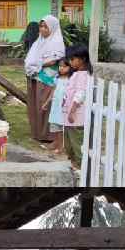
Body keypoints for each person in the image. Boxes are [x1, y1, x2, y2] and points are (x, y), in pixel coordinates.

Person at [22, 15, 65, 144]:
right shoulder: (38, 42)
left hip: (48, 80)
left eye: (45, 26)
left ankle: (48, 135)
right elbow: (32, 58)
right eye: (41, 26)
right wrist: (33, 66)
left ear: (52, 28)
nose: (42, 29)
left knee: (45, 106)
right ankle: (37, 133)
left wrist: (38, 64)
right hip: (35, 77)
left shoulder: (56, 42)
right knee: (35, 105)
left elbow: (54, 60)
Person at [62, 45, 93, 169]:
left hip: (76, 117)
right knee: (68, 145)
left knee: (76, 145)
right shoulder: (77, 73)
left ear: (83, 59)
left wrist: (72, 111)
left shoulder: (83, 75)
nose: (70, 62)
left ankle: (80, 167)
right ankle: (74, 164)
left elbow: (80, 94)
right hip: (69, 117)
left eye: (72, 59)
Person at [44, 58, 74, 157]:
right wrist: (47, 102)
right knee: (55, 125)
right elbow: (53, 92)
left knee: (61, 128)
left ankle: (61, 146)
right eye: (60, 66)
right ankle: (56, 142)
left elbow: (70, 94)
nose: (61, 68)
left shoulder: (71, 80)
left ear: (70, 67)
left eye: (64, 66)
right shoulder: (57, 79)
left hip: (64, 107)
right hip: (55, 106)